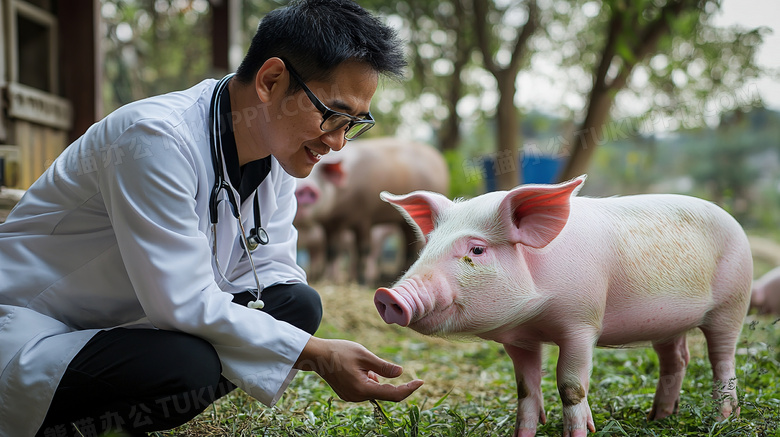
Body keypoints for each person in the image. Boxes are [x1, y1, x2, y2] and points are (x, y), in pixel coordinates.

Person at [0, 1, 423, 435]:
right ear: (271, 80)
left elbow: (272, 268)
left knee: (297, 305)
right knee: (187, 367)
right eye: (332, 115)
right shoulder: (154, 140)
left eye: (354, 123)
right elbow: (182, 300)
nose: (337, 142)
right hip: (40, 325)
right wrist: (317, 353)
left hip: (136, 320)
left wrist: (300, 341)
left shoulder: (276, 154)